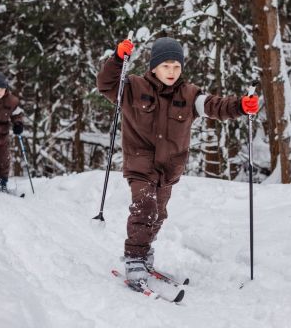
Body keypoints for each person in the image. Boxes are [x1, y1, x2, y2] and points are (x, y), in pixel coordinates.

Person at [97, 37, 260, 284]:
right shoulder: (132, 88)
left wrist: (240, 106)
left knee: (159, 215)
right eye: (166, 66)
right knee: (145, 206)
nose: (171, 72)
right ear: (153, 67)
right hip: (141, 165)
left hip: (168, 169)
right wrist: (118, 58)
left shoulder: (190, 94)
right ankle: (133, 258)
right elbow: (106, 83)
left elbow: (214, 106)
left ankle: (144, 252)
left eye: (176, 66)